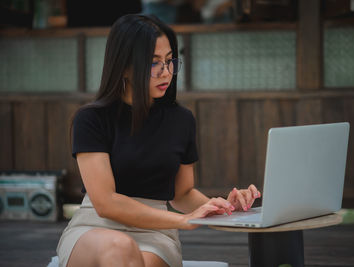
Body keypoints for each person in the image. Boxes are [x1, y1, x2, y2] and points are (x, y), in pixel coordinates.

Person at [56, 14, 260, 267]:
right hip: (95, 228)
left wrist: (223, 207)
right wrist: (184, 221)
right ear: (125, 67)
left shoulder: (182, 120)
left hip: (156, 233)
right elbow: (106, 203)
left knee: (136, 259)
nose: (167, 72)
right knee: (119, 247)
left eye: (170, 61)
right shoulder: (91, 119)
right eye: (154, 63)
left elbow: (182, 194)